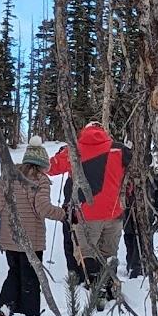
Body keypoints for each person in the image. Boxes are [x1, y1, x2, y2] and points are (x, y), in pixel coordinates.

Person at [49, 120, 128, 305]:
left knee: (86, 253)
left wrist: (61, 153)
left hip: (86, 214)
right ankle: (110, 285)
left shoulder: (74, 150)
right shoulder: (118, 150)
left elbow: (51, 168)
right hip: (114, 213)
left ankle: (95, 290)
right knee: (109, 252)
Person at [0, 142, 60, 316]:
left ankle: (7, 305)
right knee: (30, 275)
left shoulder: (8, 175)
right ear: (42, 164)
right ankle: (29, 312)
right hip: (32, 239)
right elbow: (43, 207)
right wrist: (64, 214)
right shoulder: (40, 180)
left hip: (9, 236)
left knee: (14, 271)